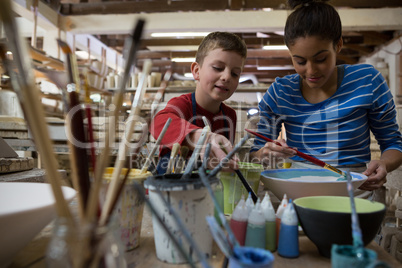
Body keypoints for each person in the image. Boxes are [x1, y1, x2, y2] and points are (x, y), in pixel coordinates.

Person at [250, 0, 402, 199]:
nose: (311, 71)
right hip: (300, 194)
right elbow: (255, 153)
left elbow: (393, 144)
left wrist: (384, 163)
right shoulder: (281, 92)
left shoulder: (367, 81)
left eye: (320, 59)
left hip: (354, 193)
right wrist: (265, 153)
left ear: (338, 44)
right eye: (300, 61)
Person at [150, 32, 248, 174]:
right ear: (196, 71)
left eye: (235, 73)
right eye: (218, 68)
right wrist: (202, 138)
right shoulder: (182, 105)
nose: (226, 76)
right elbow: (157, 122)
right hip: (170, 191)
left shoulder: (229, 115)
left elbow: (222, 160)